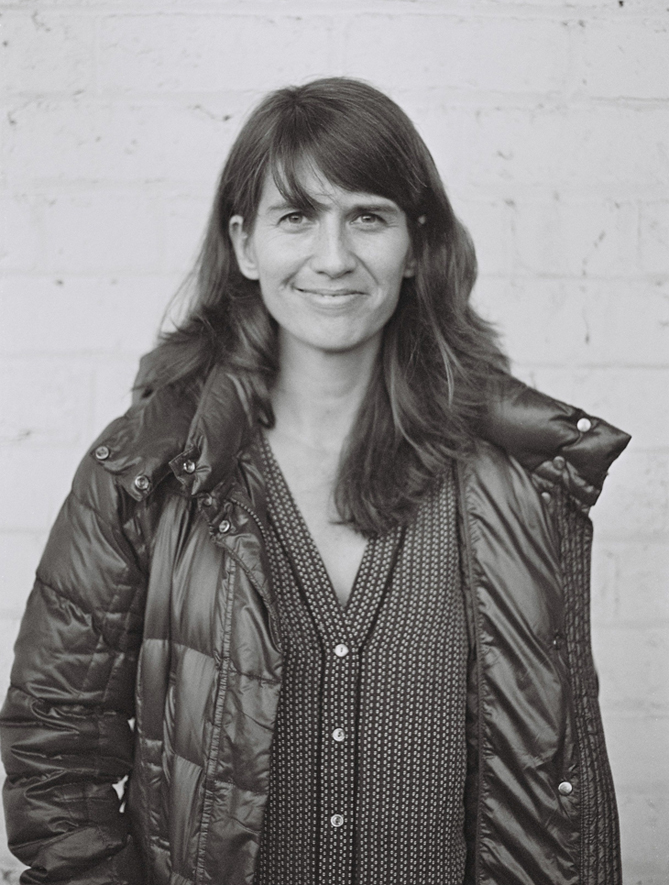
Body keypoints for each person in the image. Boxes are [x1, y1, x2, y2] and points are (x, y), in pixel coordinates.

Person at [0, 78, 629, 885]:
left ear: (415, 245)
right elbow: (57, 747)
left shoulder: (516, 482)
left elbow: (555, 790)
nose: (333, 258)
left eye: (368, 216)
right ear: (245, 244)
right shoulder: (145, 471)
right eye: (296, 216)